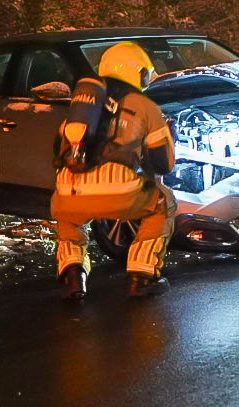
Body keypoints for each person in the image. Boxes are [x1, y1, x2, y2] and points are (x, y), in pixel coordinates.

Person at [52, 41, 175, 300]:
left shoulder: (81, 108)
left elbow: (57, 152)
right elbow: (163, 164)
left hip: (69, 190)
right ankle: (142, 275)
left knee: (68, 218)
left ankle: (73, 276)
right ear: (137, 72)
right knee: (163, 203)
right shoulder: (145, 106)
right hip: (119, 191)